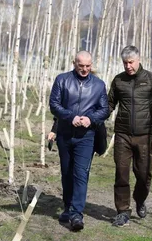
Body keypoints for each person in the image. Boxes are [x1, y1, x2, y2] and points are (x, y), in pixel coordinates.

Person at [49, 50, 109, 231]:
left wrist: (90, 118)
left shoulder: (99, 85)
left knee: (81, 174)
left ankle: (76, 214)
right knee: (67, 173)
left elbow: (104, 109)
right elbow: (54, 105)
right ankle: (68, 208)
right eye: (81, 66)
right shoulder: (62, 80)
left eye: (88, 66)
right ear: (74, 63)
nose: (84, 69)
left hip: (86, 137)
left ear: (92, 65)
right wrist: (70, 116)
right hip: (65, 135)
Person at [108, 45, 152, 227]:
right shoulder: (118, 81)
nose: (128, 66)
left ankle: (140, 199)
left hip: (145, 135)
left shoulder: (151, 79)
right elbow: (109, 104)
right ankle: (123, 211)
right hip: (122, 135)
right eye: (125, 63)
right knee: (122, 174)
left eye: (131, 62)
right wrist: (93, 118)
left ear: (138, 60)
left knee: (144, 174)